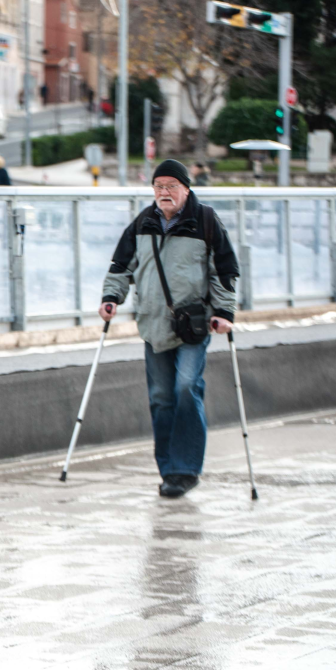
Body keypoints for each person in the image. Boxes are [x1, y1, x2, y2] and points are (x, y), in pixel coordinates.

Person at [99, 159, 240, 498]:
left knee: (187, 387)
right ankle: (168, 469)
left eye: (171, 186)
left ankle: (185, 469)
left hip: (195, 324)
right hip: (153, 323)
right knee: (161, 398)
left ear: (186, 189)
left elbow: (225, 269)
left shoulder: (204, 220)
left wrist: (223, 311)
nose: (164, 192)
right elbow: (121, 266)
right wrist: (110, 297)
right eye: (159, 186)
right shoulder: (142, 223)